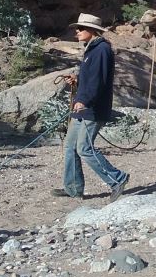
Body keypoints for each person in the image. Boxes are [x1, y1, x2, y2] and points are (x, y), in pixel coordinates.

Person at [51, 13, 129, 202]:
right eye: (77, 28)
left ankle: (117, 179)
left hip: (93, 108)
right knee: (70, 146)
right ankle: (73, 188)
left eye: (81, 28)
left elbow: (98, 80)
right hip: (84, 107)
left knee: (84, 148)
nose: (77, 32)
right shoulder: (92, 49)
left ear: (92, 30)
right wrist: (77, 79)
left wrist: (84, 100)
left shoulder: (101, 50)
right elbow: (91, 77)